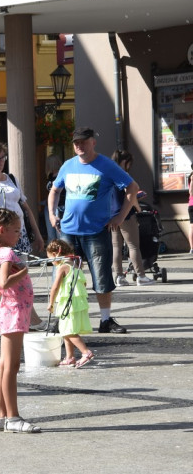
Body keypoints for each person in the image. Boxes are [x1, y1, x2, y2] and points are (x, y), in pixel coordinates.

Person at [48, 127, 137, 335]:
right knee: (64, 277)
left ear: (93, 142)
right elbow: (55, 190)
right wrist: (52, 215)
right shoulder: (68, 165)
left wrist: (121, 216)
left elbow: (132, 188)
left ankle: (105, 320)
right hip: (68, 231)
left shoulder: (106, 165)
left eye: (83, 141)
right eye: (76, 142)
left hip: (96, 230)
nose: (79, 145)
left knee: (101, 275)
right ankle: (62, 317)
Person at [0, 209, 39, 433]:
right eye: (16, 230)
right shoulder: (5, 252)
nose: (19, 234)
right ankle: (13, 418)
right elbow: (3, 283)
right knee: (11, 367)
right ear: (2, 230)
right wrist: (23, 271)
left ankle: (0, 415)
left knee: (4, 366)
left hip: (13, 311)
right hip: (13, 312)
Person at [0, 141, 45, 258]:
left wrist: (38, 235)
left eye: (3, 157)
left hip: (18, 234)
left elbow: (26, 208)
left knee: (20, 273)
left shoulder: (11, 179)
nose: (1, 161)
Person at [46, 239, 94, 368]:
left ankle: (86, 352)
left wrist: (50, 303)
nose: (51, 262)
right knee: (65, 330)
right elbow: (83, 283)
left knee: (69, 331)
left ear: (57, 253)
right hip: (76, 304)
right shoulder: (76, 265)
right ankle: (70, 357)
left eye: (51, 258)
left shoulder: (62, 267)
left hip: (68, 304)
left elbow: (55, 287)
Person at [109, 150, 154, 286]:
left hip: (112, 215)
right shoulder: (124, 175)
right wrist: (138, 208)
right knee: (133, 246)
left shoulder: (109, 175)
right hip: (126, 215)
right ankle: (141, 276)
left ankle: (119, 277)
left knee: (116, 247)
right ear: (125, 162)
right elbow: (131, 196)